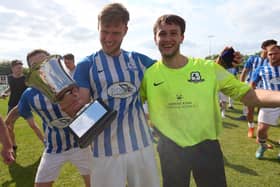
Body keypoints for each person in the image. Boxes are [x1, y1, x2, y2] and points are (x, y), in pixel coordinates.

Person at [140, 14, 280, 187]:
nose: (167, 38)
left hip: (206, 147)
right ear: (155, 38)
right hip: (170, 149)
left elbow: (248, 94)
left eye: (173, 33)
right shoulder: (147, 75)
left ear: (182, 37)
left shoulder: (208, 68)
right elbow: (129, 106)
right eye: (162, 34)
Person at [60, 3, 160, 187]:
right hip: (105, 150)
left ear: (125, 30)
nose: (108, 38)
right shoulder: (87, 64)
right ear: (98, 28)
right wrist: (69, 106)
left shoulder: (139, 60)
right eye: (104, 31)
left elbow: (172, 72)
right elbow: (80, 104)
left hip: (141, 146)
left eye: (115, 33)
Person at [5, 49, 93, 187]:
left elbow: (90, 108)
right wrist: (6, 124)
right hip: (53, 149)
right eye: (36, 65)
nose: (42, 67)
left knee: (95, 183)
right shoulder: (30, 95)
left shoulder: (71, 83)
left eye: (44, 62)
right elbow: (18, 110)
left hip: (80, 146)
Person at [239, 39, 277, 138]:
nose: (273, 50)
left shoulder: (273, 59)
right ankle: (251, 127)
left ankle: (261, 134)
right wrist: (241, 85)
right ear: (264, 48)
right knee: (250, 109)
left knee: (262, 111)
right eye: (271, 47)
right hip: (252, 87)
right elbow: (244, 71)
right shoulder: (253, 58)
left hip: (265, 88)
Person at [251, 45, 280, 159]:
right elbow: (252, 86)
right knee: (261, 130)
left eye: (276, 53)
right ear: (267, 55)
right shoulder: (261, 69)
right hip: (269, 103)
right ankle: (262, 146)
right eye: (270, 54)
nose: (273, 56)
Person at [0, 60, 28, 153]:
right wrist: (5, 93)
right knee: (9, 126)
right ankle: (13, 144)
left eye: (21, 67)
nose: (20, 69)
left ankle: (45, 142)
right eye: (18, 67)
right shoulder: (10, 78)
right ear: (13, 68)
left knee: (33, 125)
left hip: (24, 105)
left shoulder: (25, 78)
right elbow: (10, 88)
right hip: (12, 104)